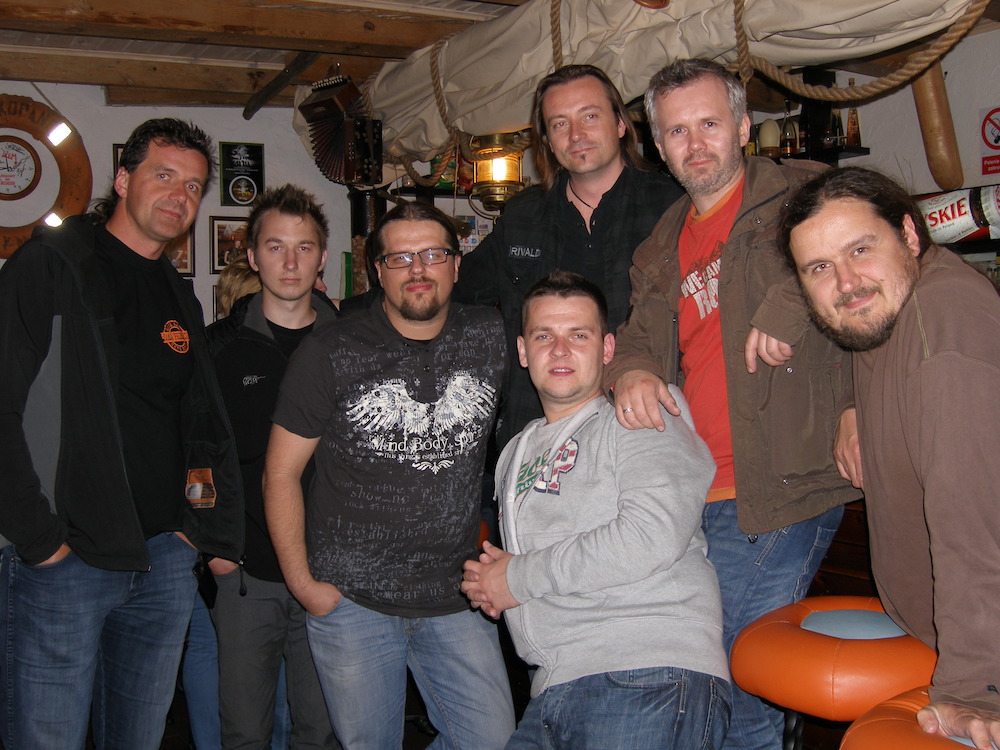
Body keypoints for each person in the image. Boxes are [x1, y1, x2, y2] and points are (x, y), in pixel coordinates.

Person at [603, 59, 859, 750]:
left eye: (710, 123)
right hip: (696, 489)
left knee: (737, 675)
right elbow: (639, 337)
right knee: (709, 671)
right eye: (677, 131)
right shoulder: (661, 241)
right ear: (659, 146)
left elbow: (877, 273)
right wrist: (630, 371)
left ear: (744, 126)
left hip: (780, 481)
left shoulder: (805, 195)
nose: (695, 144)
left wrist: (792, 305)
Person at [0, 118, 243, 750]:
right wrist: (40, 540)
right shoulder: (51, 265)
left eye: (193, 186)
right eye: (164, 175)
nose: (179, 196)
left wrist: (191, 531)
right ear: (123, 179)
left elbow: (194, 424)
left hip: (162, 558)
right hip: (67, 560)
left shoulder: (178, 294)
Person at [263, 201, 516, 749]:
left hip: (455, 593)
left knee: (495, 742)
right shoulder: (331, 350)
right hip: (353, 601)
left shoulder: (491, 336)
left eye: (433, 254)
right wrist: (304, 586)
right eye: (399, 258)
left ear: (457, 264)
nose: (417, 269)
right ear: (378, 271)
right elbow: (280, 472)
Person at [462, 270, 731, 749]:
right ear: (522, 351)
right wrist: (494, 584)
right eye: (543, 336)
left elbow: (649, 536)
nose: (560, 350)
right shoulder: (514, 452)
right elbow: (537, 570)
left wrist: (516, 578)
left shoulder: (639, 409)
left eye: (578, 335)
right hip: (552, 685)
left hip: (647, 673)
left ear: (608, 349)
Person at [779, 166, 1000, 750]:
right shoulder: (889, 304)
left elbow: (975, 519)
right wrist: (851, 406)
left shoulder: (945, 331)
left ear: (908, 233)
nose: (846, 282)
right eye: (819, 268)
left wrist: (976, 687)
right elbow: (860, 335)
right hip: (926, 626)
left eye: (860, 249)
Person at [455, 64, 685, 447]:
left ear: (621, 123)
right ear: (547, 140)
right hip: (539, 440)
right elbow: (454, 294)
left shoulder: (674, 207)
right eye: (560, 124)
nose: (576, 135)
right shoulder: (521, 218)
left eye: (589, 116)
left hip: (644, 432)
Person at [206, 184, 340, 749]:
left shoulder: (354, 345)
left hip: (331, 572)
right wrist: (215, 549)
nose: (290, 262)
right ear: (252, 255)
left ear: (322, 258)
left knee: (323, 731)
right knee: (243, 733)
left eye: (303, 248)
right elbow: (197, 452)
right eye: (275, 247)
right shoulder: (217, 349)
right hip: (246, 574)